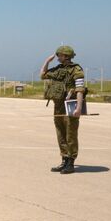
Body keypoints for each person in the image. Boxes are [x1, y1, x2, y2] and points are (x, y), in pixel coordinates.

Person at [40, 45, 85, 174]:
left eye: (59, 55)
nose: (58, 57)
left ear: (66, 56)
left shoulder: (76, 70)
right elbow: (43, 75)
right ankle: (64, 159)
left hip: (71, 104)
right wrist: (47, 62)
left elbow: (80, 89)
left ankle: (71, 162)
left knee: (70, 134)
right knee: (60, 133)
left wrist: (79, 108)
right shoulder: (59, 69)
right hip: (58, 106)